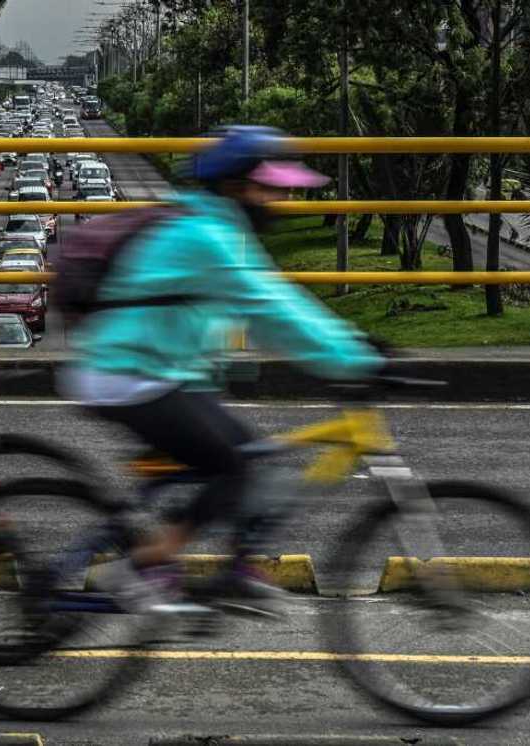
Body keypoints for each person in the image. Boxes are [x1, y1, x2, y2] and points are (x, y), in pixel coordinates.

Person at [58, 125, 384, 615]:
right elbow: (271, 310)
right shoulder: (209, 237)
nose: (280, 198)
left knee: (248, 455)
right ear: (235, 186)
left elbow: (276, 302)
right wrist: (356, 359)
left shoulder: (220, 229)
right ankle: (138, 568)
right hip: (128, 374)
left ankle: (235, 568)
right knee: (234, 465)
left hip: (161, 372)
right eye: (270, 187)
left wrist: (350, 343)